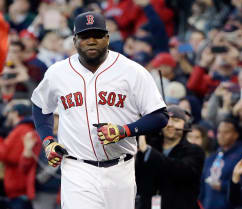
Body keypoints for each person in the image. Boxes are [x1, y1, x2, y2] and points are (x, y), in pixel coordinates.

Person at [31, 11, 168, 209]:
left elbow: (160, 116)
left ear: (107, 38)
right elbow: (39, 105)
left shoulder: (132, 71)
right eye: (85, 36)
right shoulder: (57, 73)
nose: (91, 41)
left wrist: (125, 131)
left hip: (121, 170)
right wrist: (48, 141)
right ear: (75, 39)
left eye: (97, 35)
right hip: (77, 169)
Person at [135, 105, 205, 209]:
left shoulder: (195, 151)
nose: (170, 124)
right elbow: (140, 180)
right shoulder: (150, 146)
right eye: (167, 120)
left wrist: (149, 153)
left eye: (176, 120)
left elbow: (181, 170)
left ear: (185, 124)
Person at [199, 117, 242, 209]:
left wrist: (223, 186)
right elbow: (202, 185)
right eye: (219, 132)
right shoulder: (212, 156)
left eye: (226, 132)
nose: (221, 135)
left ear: (236, 134)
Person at [0, 103, 41, 209]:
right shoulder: (24, 129)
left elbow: (8, 156)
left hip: (18, 187)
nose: (7, 116)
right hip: (19, 187)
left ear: (15, 113)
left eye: (9, 113)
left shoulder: (21, 130)